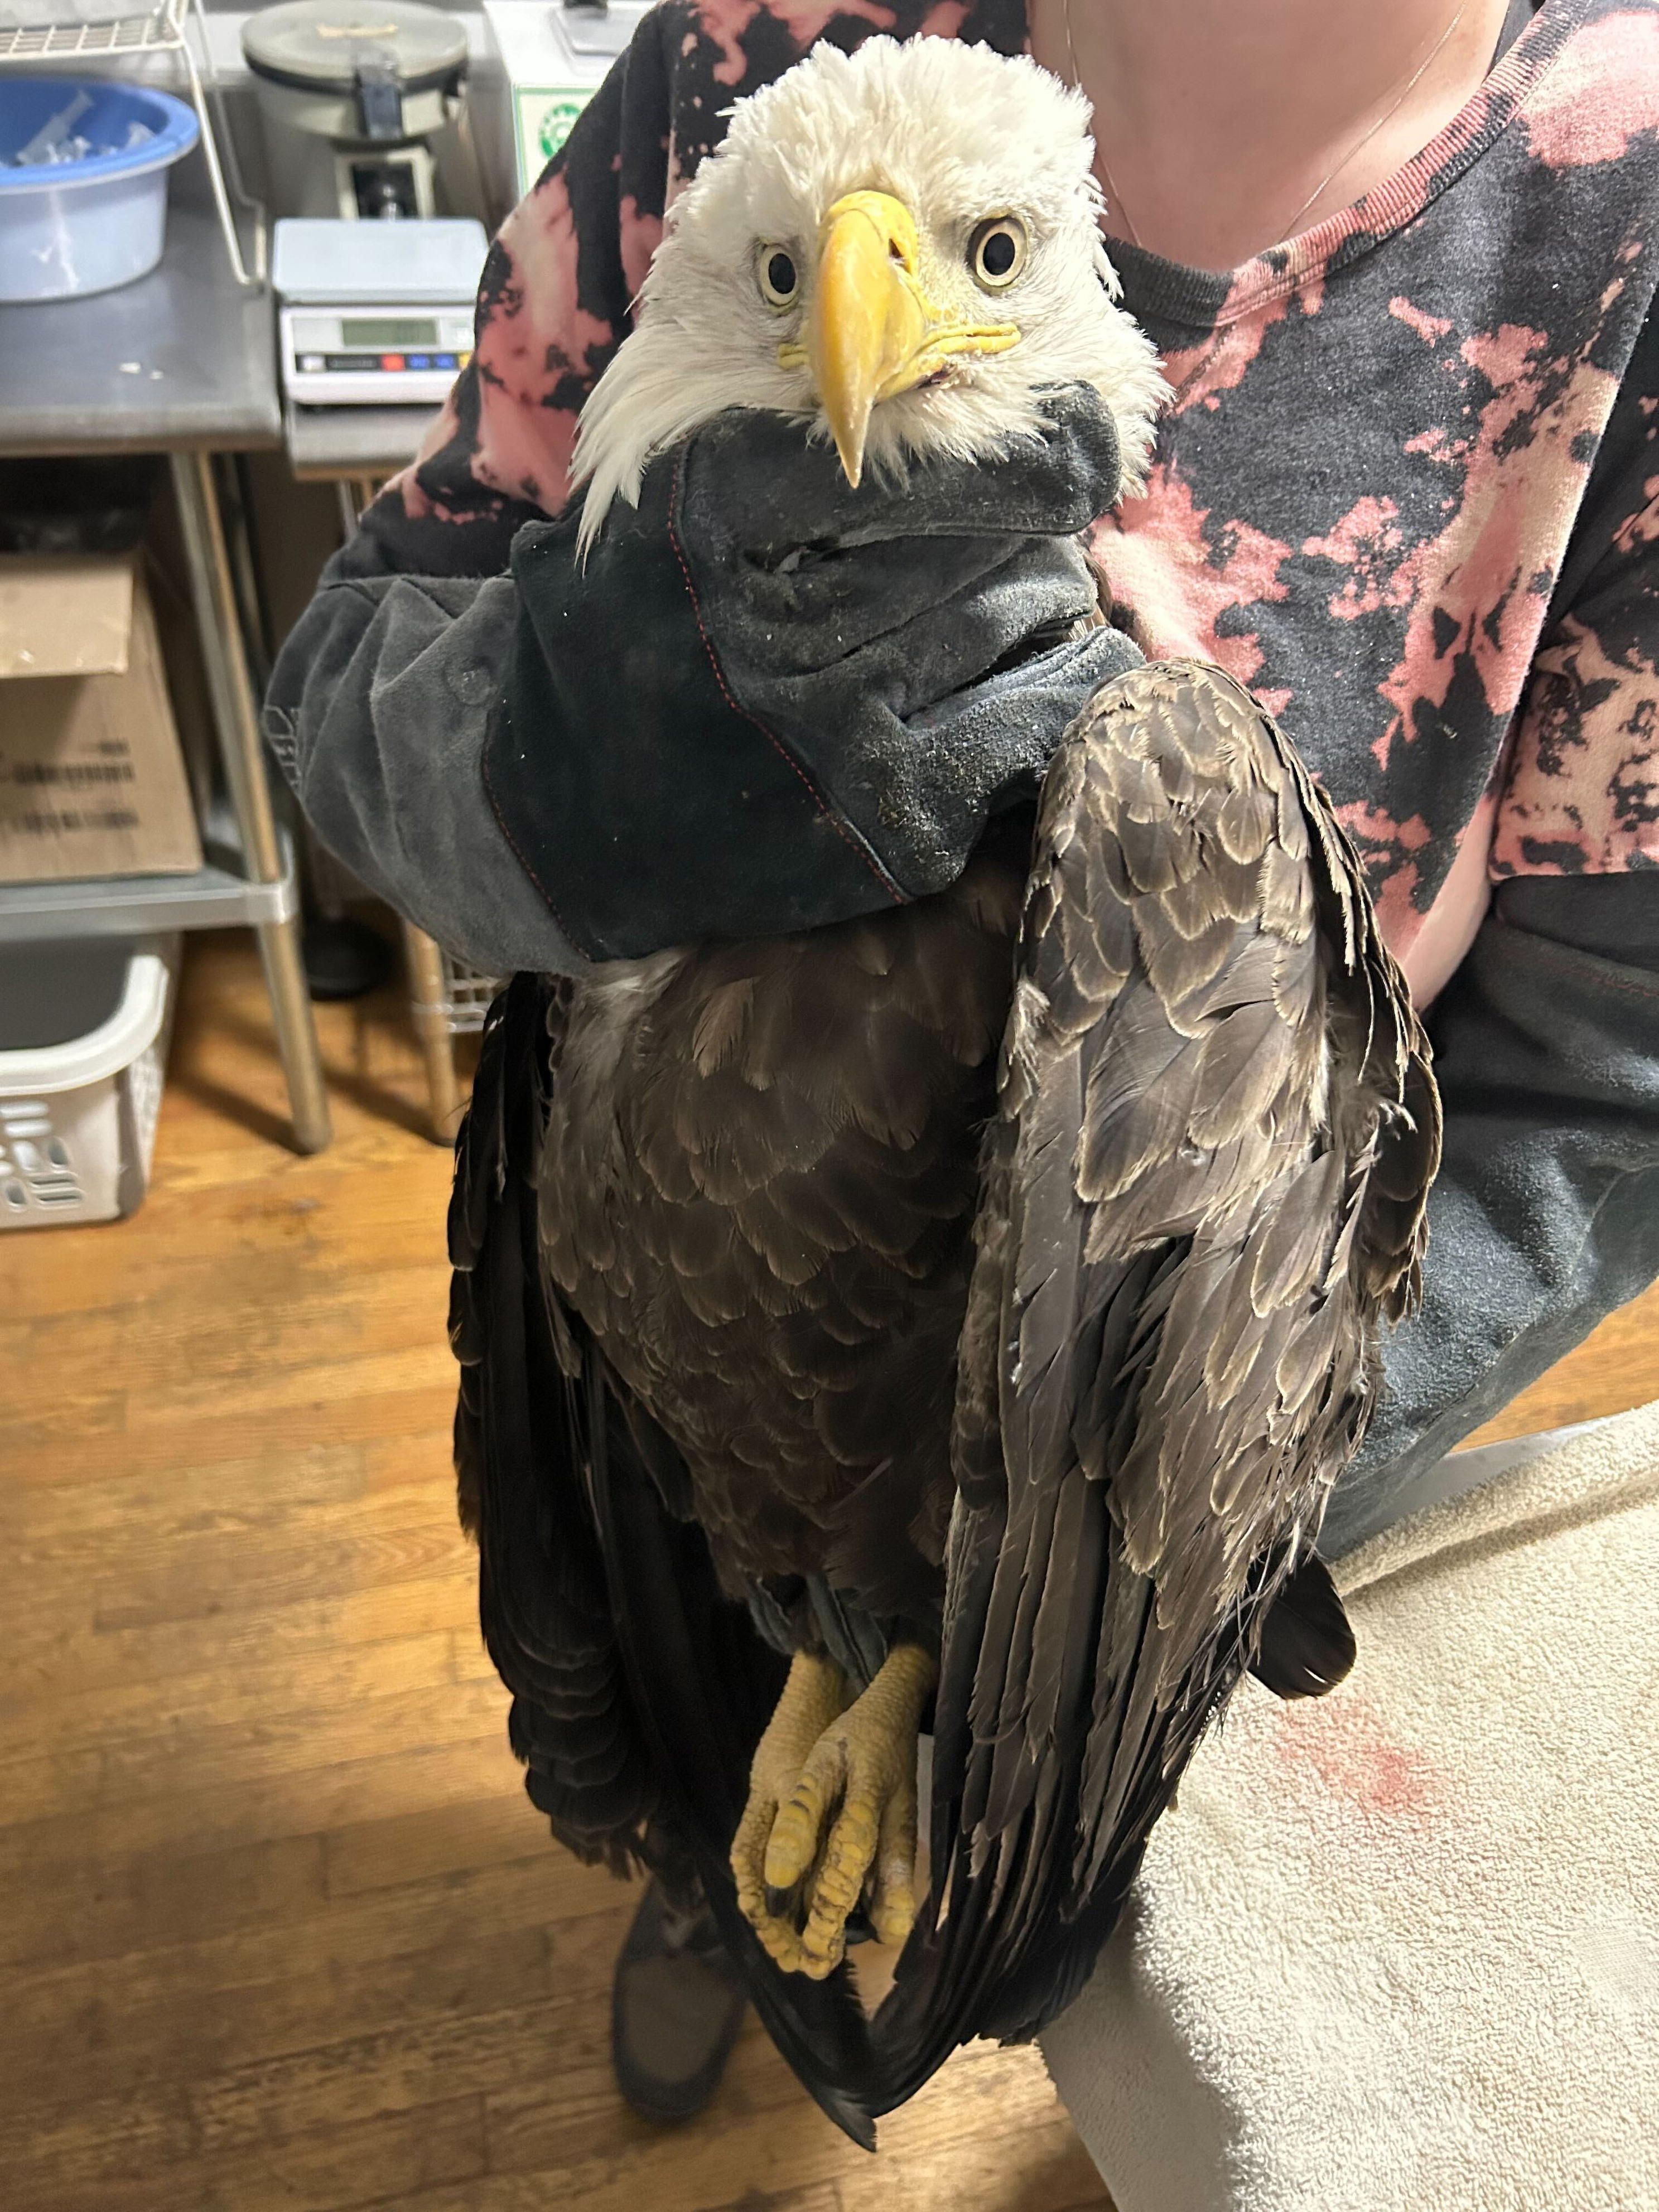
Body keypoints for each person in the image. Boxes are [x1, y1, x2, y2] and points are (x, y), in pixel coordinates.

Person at [265, 0, 1659, 2126]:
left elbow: (1604, 1077)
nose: (875, 308)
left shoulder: (1622, 200)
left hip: (1140, 1438)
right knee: (706, 1765)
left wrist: (1102, 1535)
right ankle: (700, 1870)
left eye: (982, 257)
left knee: (994, 1902)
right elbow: (355, 670)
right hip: (676, 1356)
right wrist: (549, 767)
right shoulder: (756, 60)